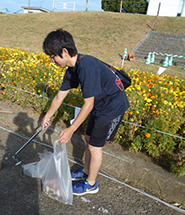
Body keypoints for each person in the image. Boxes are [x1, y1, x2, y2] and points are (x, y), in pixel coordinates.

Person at [41, 29, 130, 196]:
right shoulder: (72, 69)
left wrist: (71, 129)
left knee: (95, 147)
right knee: (89, 138)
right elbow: (60, 97)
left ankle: (91, 183)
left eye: (53, 56)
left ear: (65, 52)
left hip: (112, 107)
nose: (52, 60)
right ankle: (86, 171)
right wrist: (48, 116)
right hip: (100, 105)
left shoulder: (86, 67)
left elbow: (88, 104)